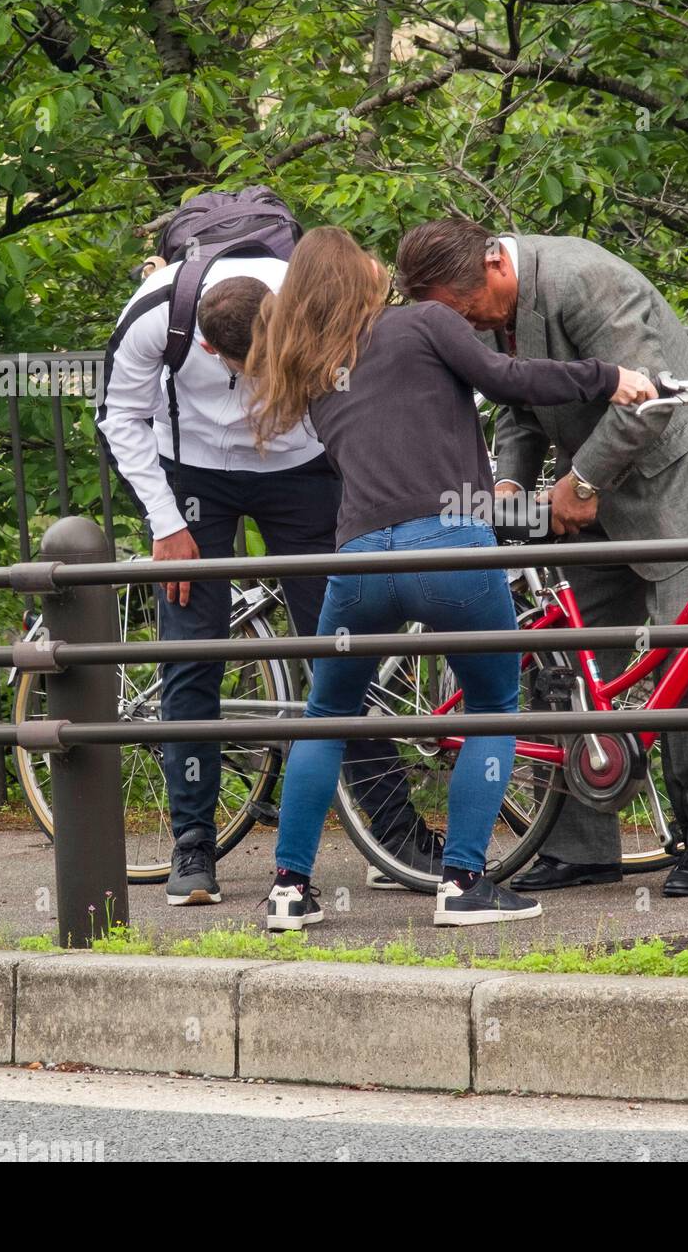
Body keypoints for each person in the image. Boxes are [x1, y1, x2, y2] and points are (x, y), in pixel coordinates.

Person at [244, 225, 655, 930]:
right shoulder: (426, 322)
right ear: (362, 278)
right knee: (495, 707)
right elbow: (509, 381)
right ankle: (464, 882)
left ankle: (289, 889)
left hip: (359, 562)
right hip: (453, 549)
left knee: (325, 719)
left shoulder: (313, 371)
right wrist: (607, 377)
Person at [394, 217, 688, 897]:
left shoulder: (587, 279)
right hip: (582, 494)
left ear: (495, 265)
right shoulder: (486, 306)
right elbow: (518, 407)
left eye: (468, 312)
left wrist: (581, 481)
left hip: (672, 484)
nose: (465, 327)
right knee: (572, 656)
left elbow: (651, 397)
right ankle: (580, 845)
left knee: (687, 655)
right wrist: (508, 482)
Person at [97, 253, 430, 907]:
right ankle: (193, 845)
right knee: (193, 654)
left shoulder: (316, 295)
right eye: (243, 367)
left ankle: (395, 838)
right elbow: (118, 417)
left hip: (301, 468)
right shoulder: (154, 317)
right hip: (193, 473)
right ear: (205, 344)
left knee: (343, 649)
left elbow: (383, 375)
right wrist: (166, 525)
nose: (258, 379)